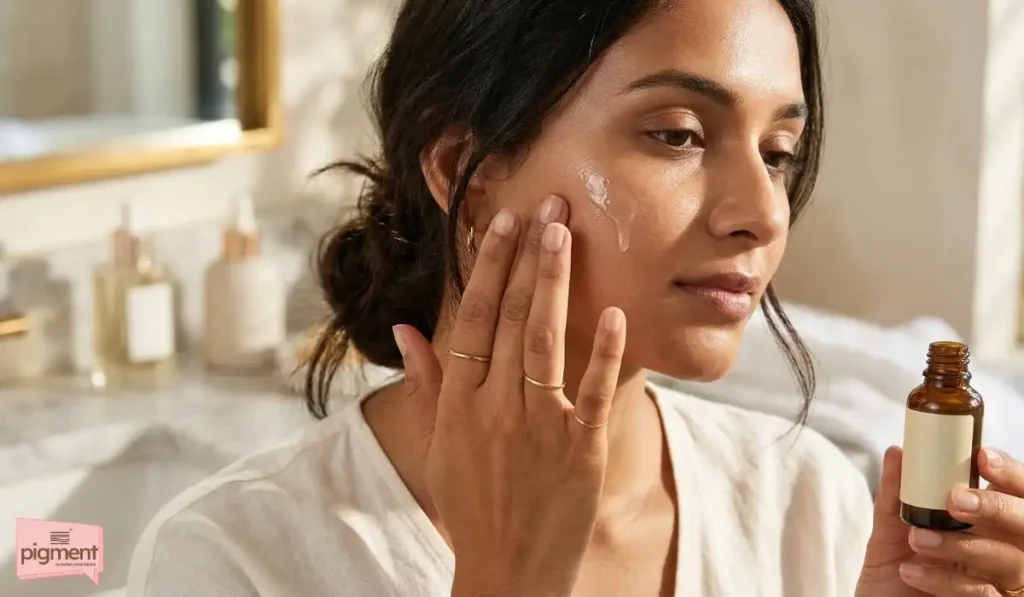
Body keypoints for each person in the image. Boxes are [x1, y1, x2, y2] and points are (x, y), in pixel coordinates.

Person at [127, 0, 1024, 595]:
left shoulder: (804, 505)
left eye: (779, 153)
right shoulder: (234, 558)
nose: (761, 213)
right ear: (466, 178)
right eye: (677, 133)